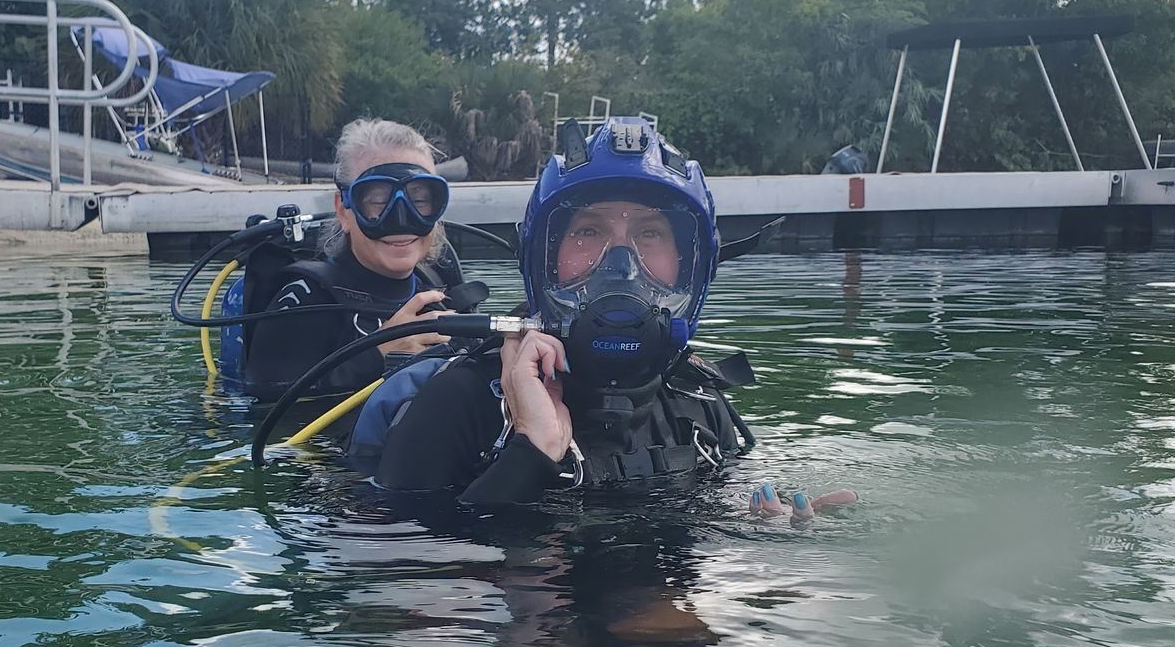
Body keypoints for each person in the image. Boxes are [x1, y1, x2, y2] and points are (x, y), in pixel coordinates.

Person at [375, 115, 854, 518]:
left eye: (650, 234)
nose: (619, 265)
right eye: (587, 231)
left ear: (691, 266)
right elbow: (398, 579)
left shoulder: (700, 403)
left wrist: (763, 535)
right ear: (543, 259)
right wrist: (532, 450)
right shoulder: (461, 403)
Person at [242, 118, 463, 400]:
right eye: (377, 202)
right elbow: (269, 414)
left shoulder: (438, 285)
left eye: (419, 201)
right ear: (344, 210)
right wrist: (380, 353)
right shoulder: (305, 302)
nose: (401, 219)